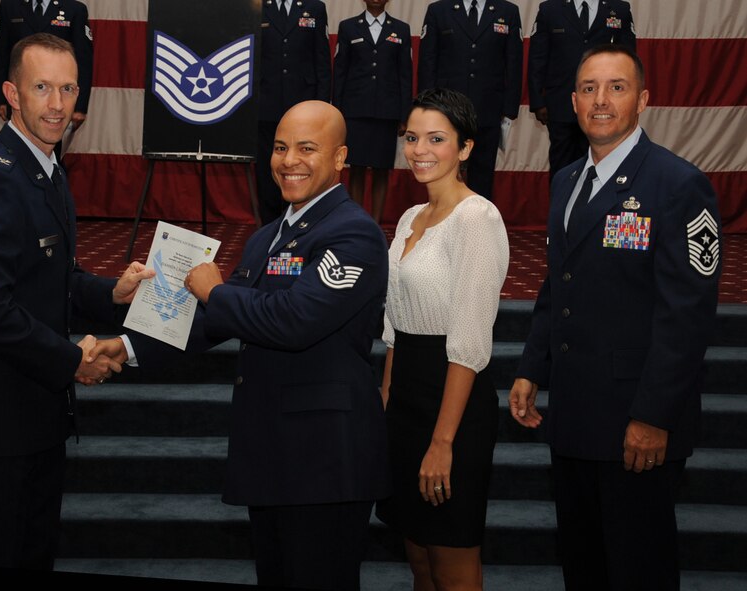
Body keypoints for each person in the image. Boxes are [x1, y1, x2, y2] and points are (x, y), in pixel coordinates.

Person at [92, 101, 390, 591]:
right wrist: (128, 347)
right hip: (272, 453)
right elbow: (216, 322)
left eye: (306, 148)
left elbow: (293, 321)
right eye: (279, 147)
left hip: (325, 462)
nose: (288, 159)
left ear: (340, 159)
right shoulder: (268, 236)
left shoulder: (354, 233)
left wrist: (214, 289)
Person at [0, 33, 153, 569]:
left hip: (34, 416)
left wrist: (113, 292)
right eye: (41, 87)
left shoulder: (45, 168)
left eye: (68, 88)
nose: (57, 104)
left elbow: (54, 277)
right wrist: (73, 359)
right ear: (11, 92)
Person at [509, 45, 721, 591]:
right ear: (573, 100)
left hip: (636, 422)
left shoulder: (678, 185)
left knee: (638, 569)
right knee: (584, 565)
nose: (600, 100)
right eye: (588, 88)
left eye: (616, 87)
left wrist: (654, 416)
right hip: (575, 414)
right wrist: (533, 365)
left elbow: (687, 318)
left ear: (643, 99)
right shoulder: (566, 181)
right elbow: (560, 286)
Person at [376, 87, 510, 591]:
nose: (420, 150)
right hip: (405, 396)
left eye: (436, 138)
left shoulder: (478, 218)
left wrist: (442, 442)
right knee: (419, 558)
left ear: (466, 148)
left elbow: (470, 340)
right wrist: (386, 404)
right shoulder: (412, 217)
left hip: (453, 401)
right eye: (412, 138)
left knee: (453, 565)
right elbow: (394, 325)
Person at [417, 0, 523, 202]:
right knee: (444, 170)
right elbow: (428, 61)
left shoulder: (508, 11)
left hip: (488, 108)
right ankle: (443, 222)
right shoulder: (439, 10)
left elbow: (514, 62)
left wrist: (510, 108)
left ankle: (479, 225)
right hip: (446, 112)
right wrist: (427, 106)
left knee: (483, 174)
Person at [528, 0, 635, 181]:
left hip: (603, 106)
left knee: (602, 162)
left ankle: (595, 208)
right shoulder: (550, 9)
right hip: (561, 103)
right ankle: (562, 209)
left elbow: (629, 62)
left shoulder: (619, 9)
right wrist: (538, 101)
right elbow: (537, 58)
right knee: (561, 166)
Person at [333, 0, 412, 223]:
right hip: (355, 110)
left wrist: (404, 116)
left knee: (381, 170)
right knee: (356, 168)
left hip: (387, 113)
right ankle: (357, 221)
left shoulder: (401, 29)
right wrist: (337, 113)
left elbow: (405, 75)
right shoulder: (348, 27)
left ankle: (374, 223)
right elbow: (340, 72)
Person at [256, 0, 331, 225]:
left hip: (304, 107)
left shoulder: (315, 7)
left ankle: (302, 224)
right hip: (265, 104)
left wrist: (322, 108)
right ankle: (270, 226)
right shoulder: (258, 7)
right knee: (267, 171)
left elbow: (322, 62)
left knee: (303, 167)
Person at [0, 0, 93, 134]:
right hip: (20, 96)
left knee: (51, 146)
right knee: (19, 145)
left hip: (57, 99)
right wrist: (0, 99)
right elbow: (1, 55)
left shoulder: (74, 9)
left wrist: (80, 107)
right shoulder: (10, 6)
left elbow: (83, 62)